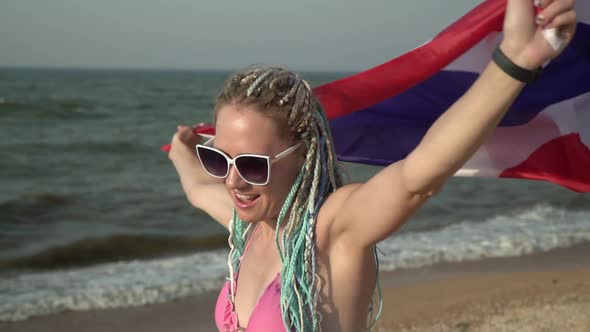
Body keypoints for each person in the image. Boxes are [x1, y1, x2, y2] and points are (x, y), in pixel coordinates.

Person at [168, 0, 577, 331]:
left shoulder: (333, 229)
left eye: (253, 165)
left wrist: (515, 61)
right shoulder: (248, 226)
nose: (234, 180)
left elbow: (419, 175)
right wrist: (183, 152)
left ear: (303, 153)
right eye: (219, 158)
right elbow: (198, 189)